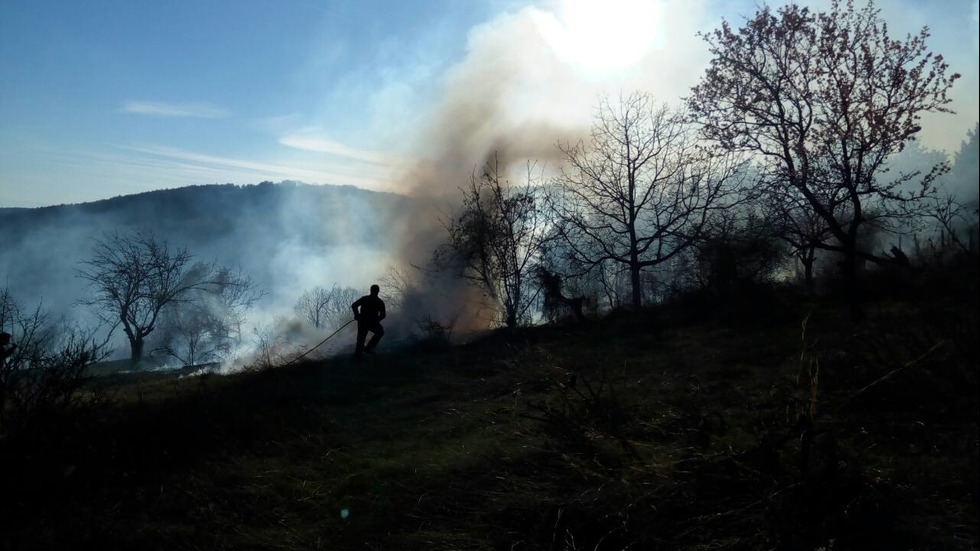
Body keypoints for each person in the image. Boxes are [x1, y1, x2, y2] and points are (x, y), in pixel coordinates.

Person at [351, 284, 385, 359]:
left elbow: (354, 305)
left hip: (364, 322)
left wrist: (357, 315)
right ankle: (364, 351)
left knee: (361, 340)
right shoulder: (379, 301)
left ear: (371, 290)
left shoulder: (365, 299)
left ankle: (362, 353)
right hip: (366, 322)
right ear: (378, 291)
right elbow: (383, 315)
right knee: (362, 340)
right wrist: (357, 315)